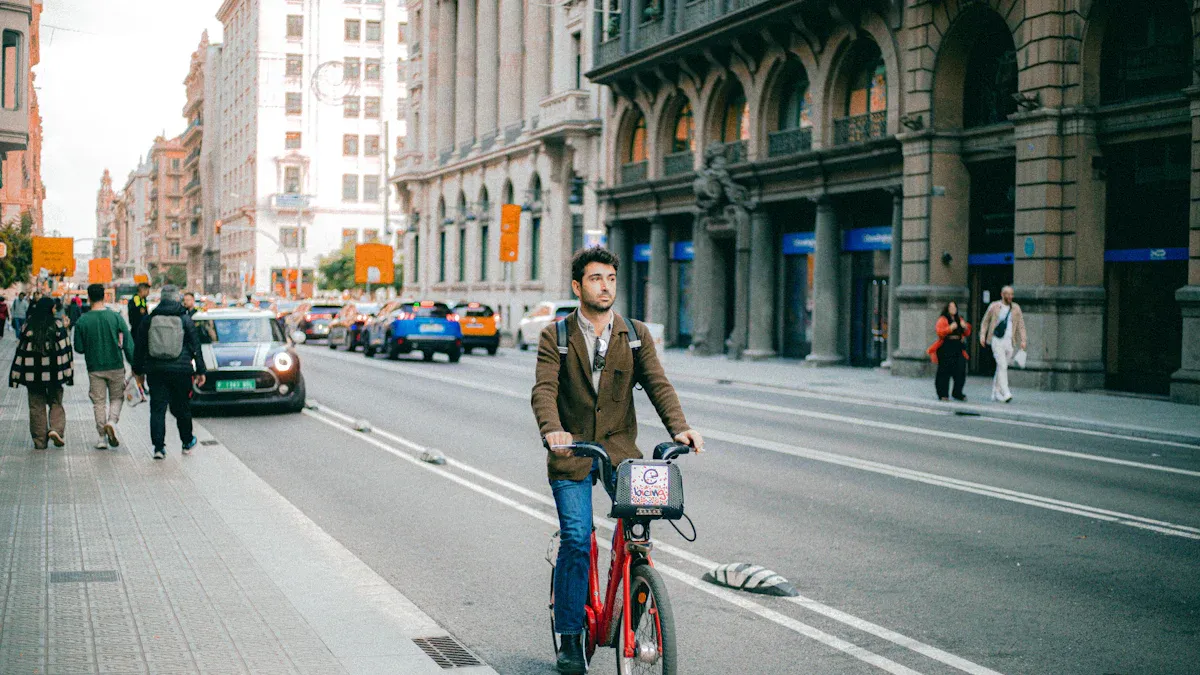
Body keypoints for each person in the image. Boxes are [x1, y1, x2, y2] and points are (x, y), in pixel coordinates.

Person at [531, 247, 704, 675]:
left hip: (621, 453)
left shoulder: (635, 334)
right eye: (595, 279)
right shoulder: (556, 335)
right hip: (571, 452)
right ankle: (570, 637)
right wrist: (553, 431)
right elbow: (544, 390)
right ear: (578, 286)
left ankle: (635, 598)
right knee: (577, 539)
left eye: (610, 278)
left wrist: (680, 428)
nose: (605, 286)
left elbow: (658, 384)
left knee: (638, 536)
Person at [132, 285, 207, 460]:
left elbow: (139, 346)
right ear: (177, 298)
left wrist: (138, 370)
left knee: (157, 409)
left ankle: (159, 448)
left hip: (156, 370)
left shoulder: (150, 319)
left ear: (161, 298)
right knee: (182, 407)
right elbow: (196, 346)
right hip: (181, 371)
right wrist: (200, 371)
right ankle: (187, 442)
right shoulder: (185, 319)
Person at [73, 283, 136, 450]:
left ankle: (101, 438)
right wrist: (134, 364)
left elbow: (78, 347)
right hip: (116, 365)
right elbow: (128, 343)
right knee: (117, 398)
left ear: (89, 297)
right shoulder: (116, 317)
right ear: (104, 296)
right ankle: (112, 422)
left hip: (94, 367)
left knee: (98, 402)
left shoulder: (82, 320)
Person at [9, 297, 73, 449]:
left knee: (36, 406)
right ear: (50, 309)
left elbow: (21, 352)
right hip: (55, 374)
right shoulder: (57, 326)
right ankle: (56, 429)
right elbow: (66, 350)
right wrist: (68, 374)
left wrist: (15, 376)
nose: (55, 310)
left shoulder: (28, 326)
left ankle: (39, 441)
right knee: (56, 402)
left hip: (33, 376)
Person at [979, 285, 1027, 403]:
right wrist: (982, 335)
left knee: (1001, 367)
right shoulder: (994, 306)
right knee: (1002, 365)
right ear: (1002, 294)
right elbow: (985, 321)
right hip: (996, 340)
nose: (1010, 296)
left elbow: (1021, 325)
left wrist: (1023, 340)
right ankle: (1006, 392)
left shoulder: (1016, 308)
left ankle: (995, 392)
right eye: (1008, 294)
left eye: (1011, 294)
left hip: (1010, 341)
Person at [928, 301, 971, 401]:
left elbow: (967, 332)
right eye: (951, 307)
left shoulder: (959, 319)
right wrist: (950, 328)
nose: (953, 309)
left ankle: (957, 392)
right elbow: (939, 332)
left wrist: (965, 327)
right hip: (946, 346)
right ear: (947, 308)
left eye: (954, 307)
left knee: (960, 370)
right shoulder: (943, 319)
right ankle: (943, 393)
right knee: (944, 371)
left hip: (958, 346)